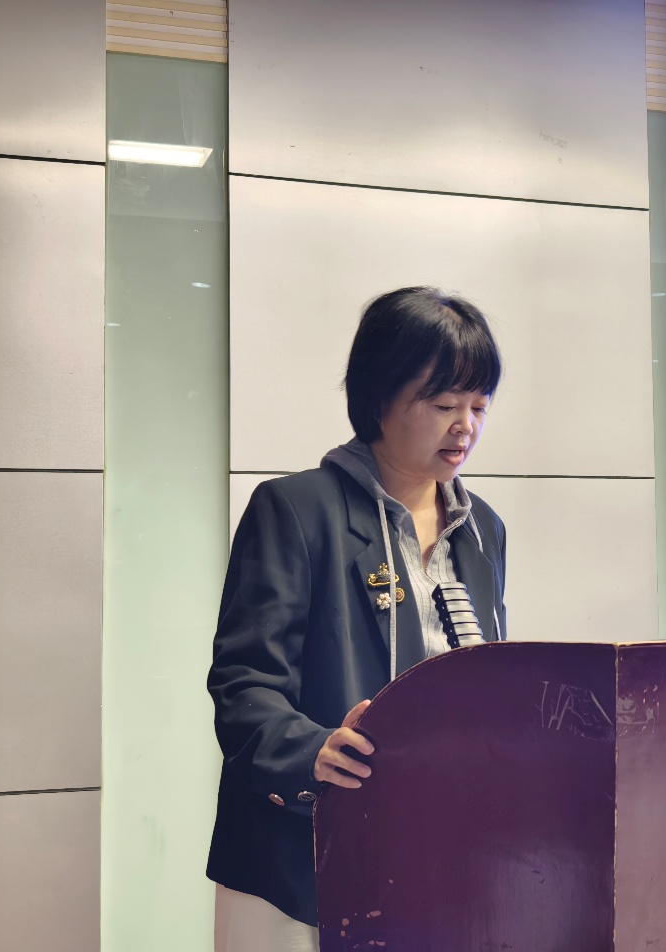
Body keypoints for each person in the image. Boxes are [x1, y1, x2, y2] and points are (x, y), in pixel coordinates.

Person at [206, 287, 507, 952]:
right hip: (298, 867)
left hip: (438, 858)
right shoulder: (295, 510)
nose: (466, 426)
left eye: (479, 406)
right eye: (444, 405)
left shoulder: (482, 529)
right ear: (379, 398)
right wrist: (310, 750)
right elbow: (243, 684)